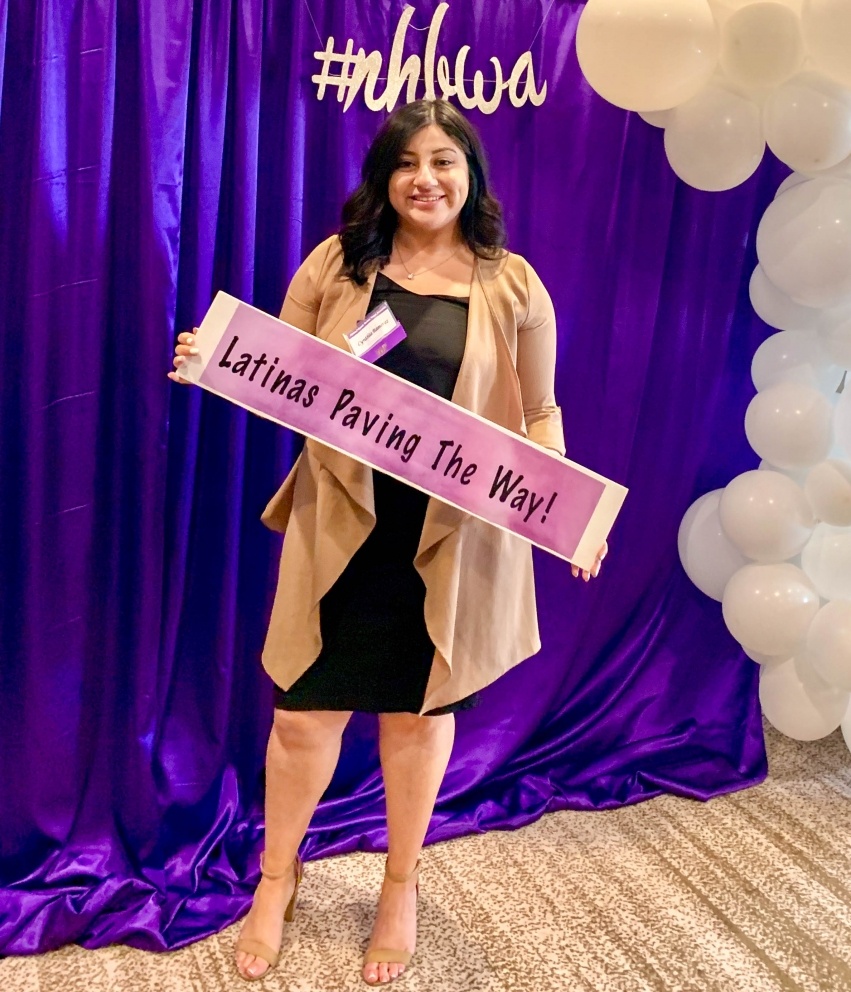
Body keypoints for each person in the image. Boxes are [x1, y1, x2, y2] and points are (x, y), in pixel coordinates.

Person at [170, 98, 606, 985]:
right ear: (385, 177)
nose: (426, 179)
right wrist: (214, 357)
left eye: (444, 161)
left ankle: (400, 885)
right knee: (302, 717)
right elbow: (280, 366)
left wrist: (565, 512)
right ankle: (274, 882)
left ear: (469, 175)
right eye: (408, 162)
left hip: (444, 542)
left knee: (415, 717)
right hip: (342, 527)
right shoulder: (339, 264)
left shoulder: (513, 283)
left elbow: (538, 414)